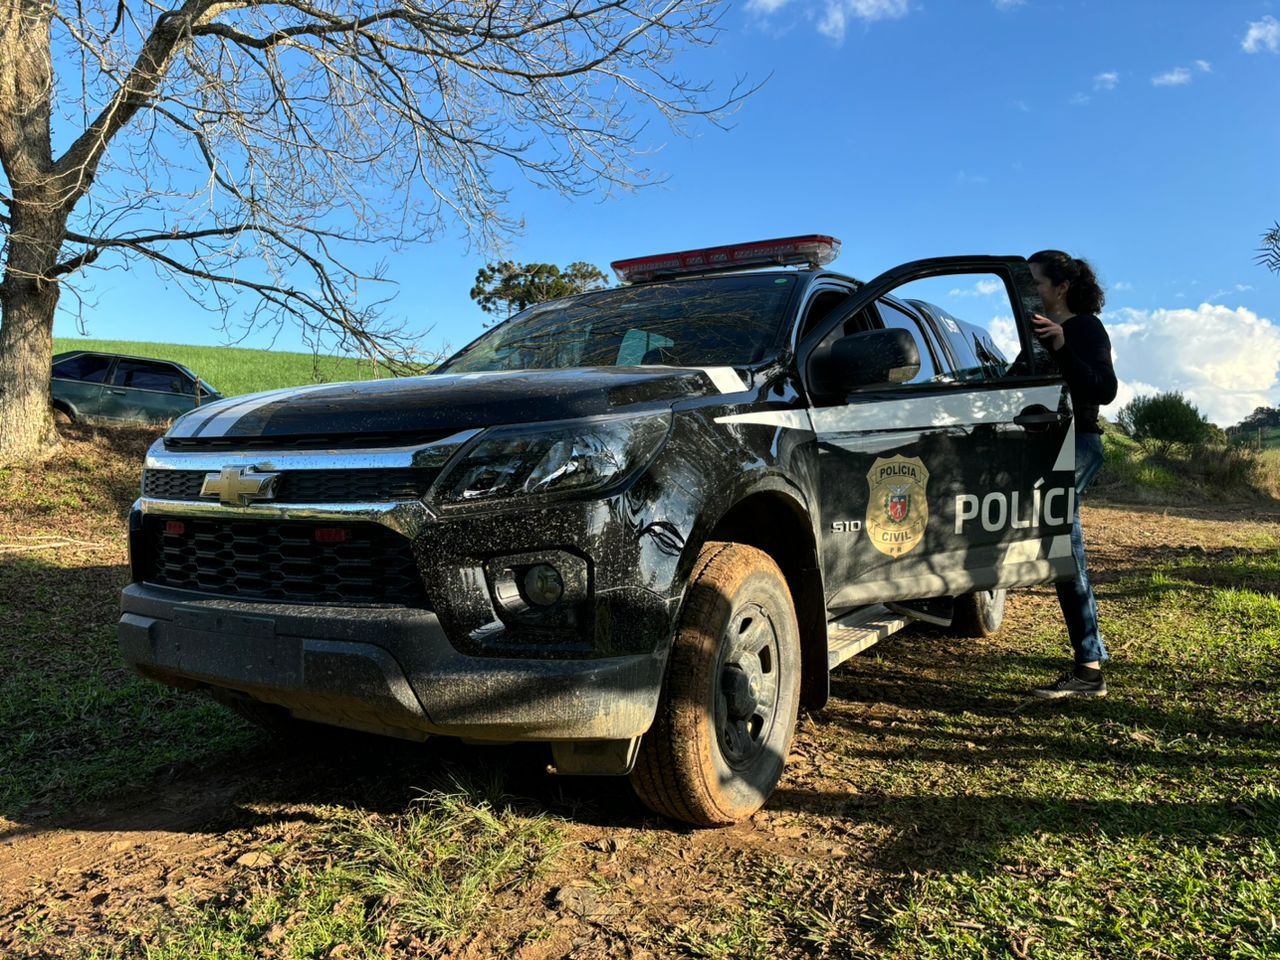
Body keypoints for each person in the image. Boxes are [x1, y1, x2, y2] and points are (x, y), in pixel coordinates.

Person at [1026, 250, 1117, 698]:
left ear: (1061, 288)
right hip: (1049, 445)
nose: (1031, 292)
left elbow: (1105, 389)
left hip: (1077, 443)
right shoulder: (1041, 332)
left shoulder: (1084, 328)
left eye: (1036, 283)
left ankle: (1089, 669)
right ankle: (1088, 664)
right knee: (1059, 549)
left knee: (1066, 550)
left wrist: (1063, 345)